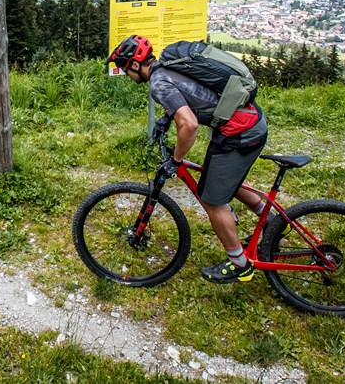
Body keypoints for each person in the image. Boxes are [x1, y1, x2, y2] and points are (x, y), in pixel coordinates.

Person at [108, 34, 268, 284]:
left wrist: (176, 159)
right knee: (217, 179)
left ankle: (239, 264)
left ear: (136, 65)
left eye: (126, 70)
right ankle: (272, 221)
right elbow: (189, 94)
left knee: (211, 199)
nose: (127, 76)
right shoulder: (168, 67)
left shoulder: (158, 83)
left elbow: (189, 124)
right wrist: (165, 119)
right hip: (247, 120)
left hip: (240, 131)